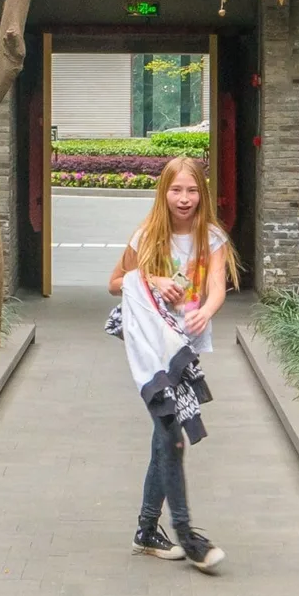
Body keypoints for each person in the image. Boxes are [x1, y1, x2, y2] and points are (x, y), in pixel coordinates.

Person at [108, 155, 237, 574]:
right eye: (176, 190)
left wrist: (208, 311)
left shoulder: (211, 238)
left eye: (192, 190)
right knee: (171, 433)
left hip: (184, 347)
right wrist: (150, 280)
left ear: (203, 194)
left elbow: (217, 286)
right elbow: (114, 283)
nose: (184, 199)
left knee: (163, 436)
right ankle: (188, 537)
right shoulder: (148, 235)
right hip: (150, 348)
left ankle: (147, 530)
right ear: (163, 193)